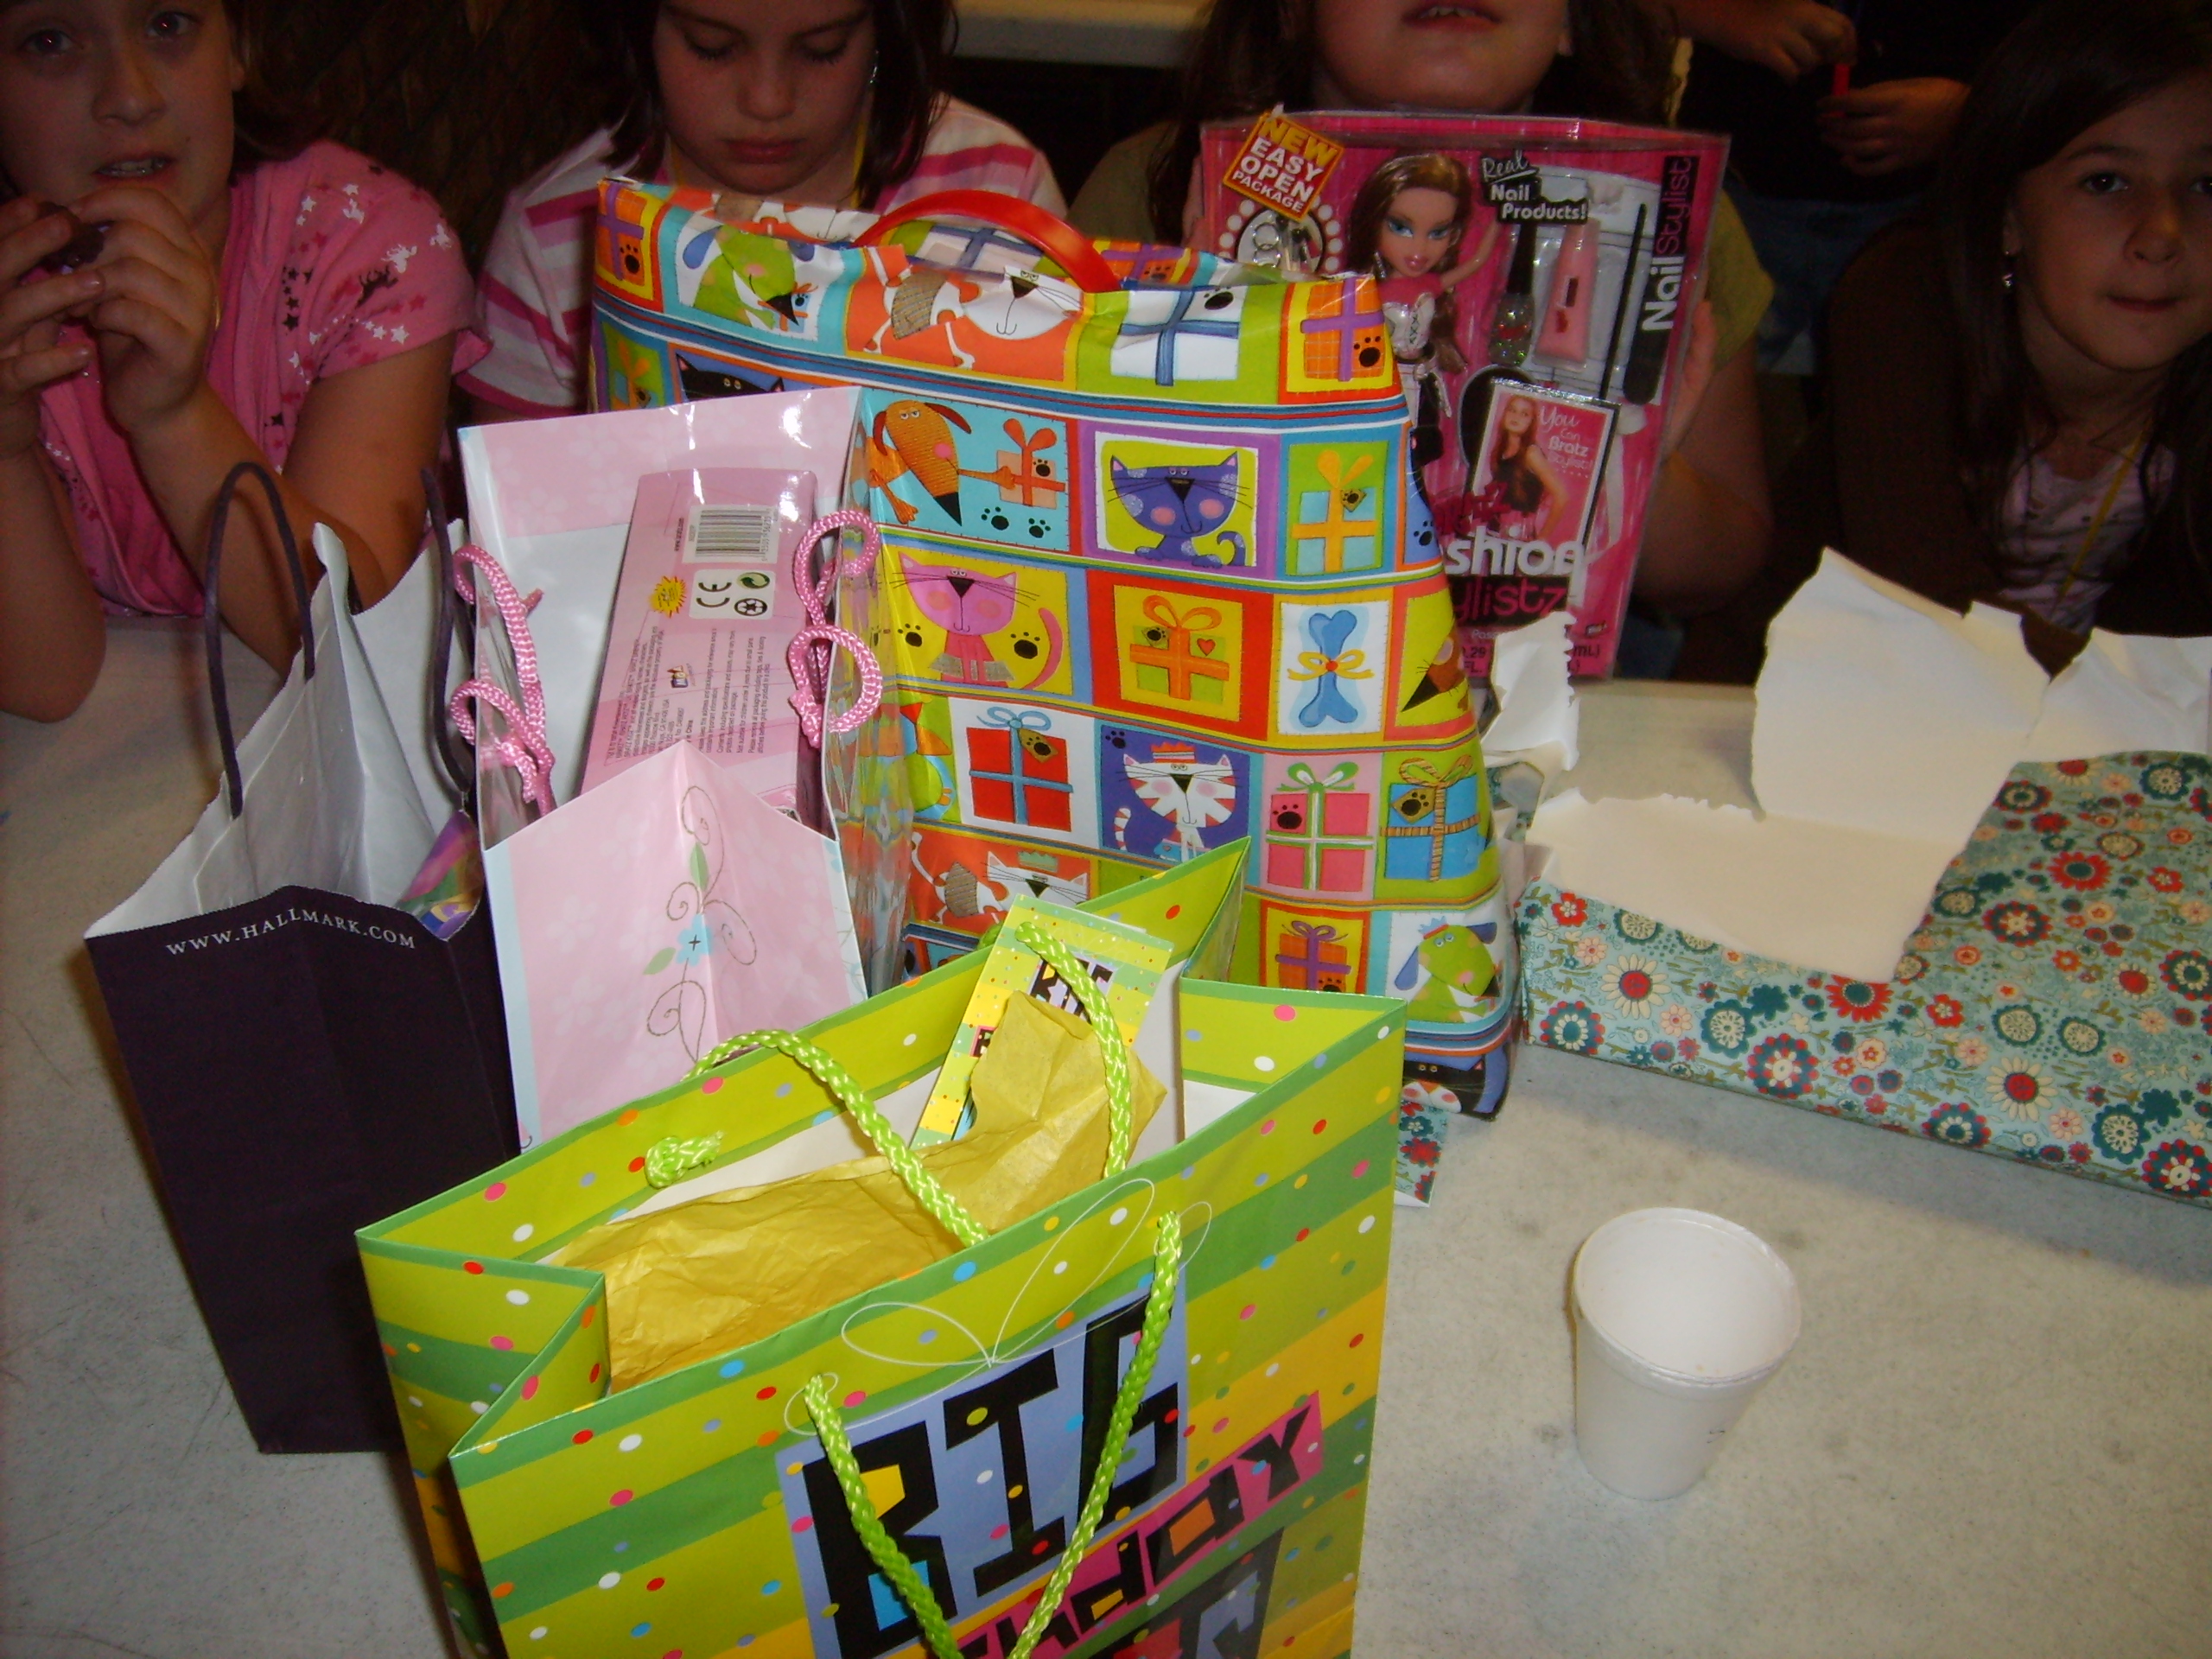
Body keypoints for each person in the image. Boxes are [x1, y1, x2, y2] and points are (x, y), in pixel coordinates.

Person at [1069, 0, 1776, 620]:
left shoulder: (1669, 218)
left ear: (1572, 17)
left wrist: (1631, 469)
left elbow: (1720, 570)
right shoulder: (1157, 190)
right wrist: (1183, 381)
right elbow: (1063, 515)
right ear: (1291, 9)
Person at [1678, 0, 2212, 681]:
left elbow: (2185, 628)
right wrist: (2148, 694)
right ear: (2007, 212)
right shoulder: (1907, 296)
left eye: (2207, 183)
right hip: (1798, 697)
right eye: (2104, 182)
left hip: (2087, 722)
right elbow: (1930, 599)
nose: (2161, 235)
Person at [0, 0, 480, 722]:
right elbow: (45, 683)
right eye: (50, 41)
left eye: (167, 25)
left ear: (237, 45)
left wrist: (172, 416)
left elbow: (354, 646)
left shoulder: (367, 251)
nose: (129, 96)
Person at [462, 0, 1064, 421]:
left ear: (887, 27)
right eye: (712, 47)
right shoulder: (555, 240)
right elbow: (522, 521)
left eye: (823, 49)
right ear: (640, 30)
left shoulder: (999, 192)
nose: (768, 100)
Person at [1674, 0, 2034, 374]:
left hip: (1926, 208)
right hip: (1731, 191)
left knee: (1907, 387)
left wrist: (1967, 113)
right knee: (1683, 378)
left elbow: (2061, 54)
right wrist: (1721, 12)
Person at [1345, 152, 1498, 471]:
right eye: (1400, 227)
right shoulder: (1366, 292)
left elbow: (1477, 261)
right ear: (1374, 222)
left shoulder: (1430, 284)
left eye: (1437, 232)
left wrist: (1504, 213)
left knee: (1417, 452)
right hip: (1381, 383)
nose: (1419, 248)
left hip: (1421, 378)